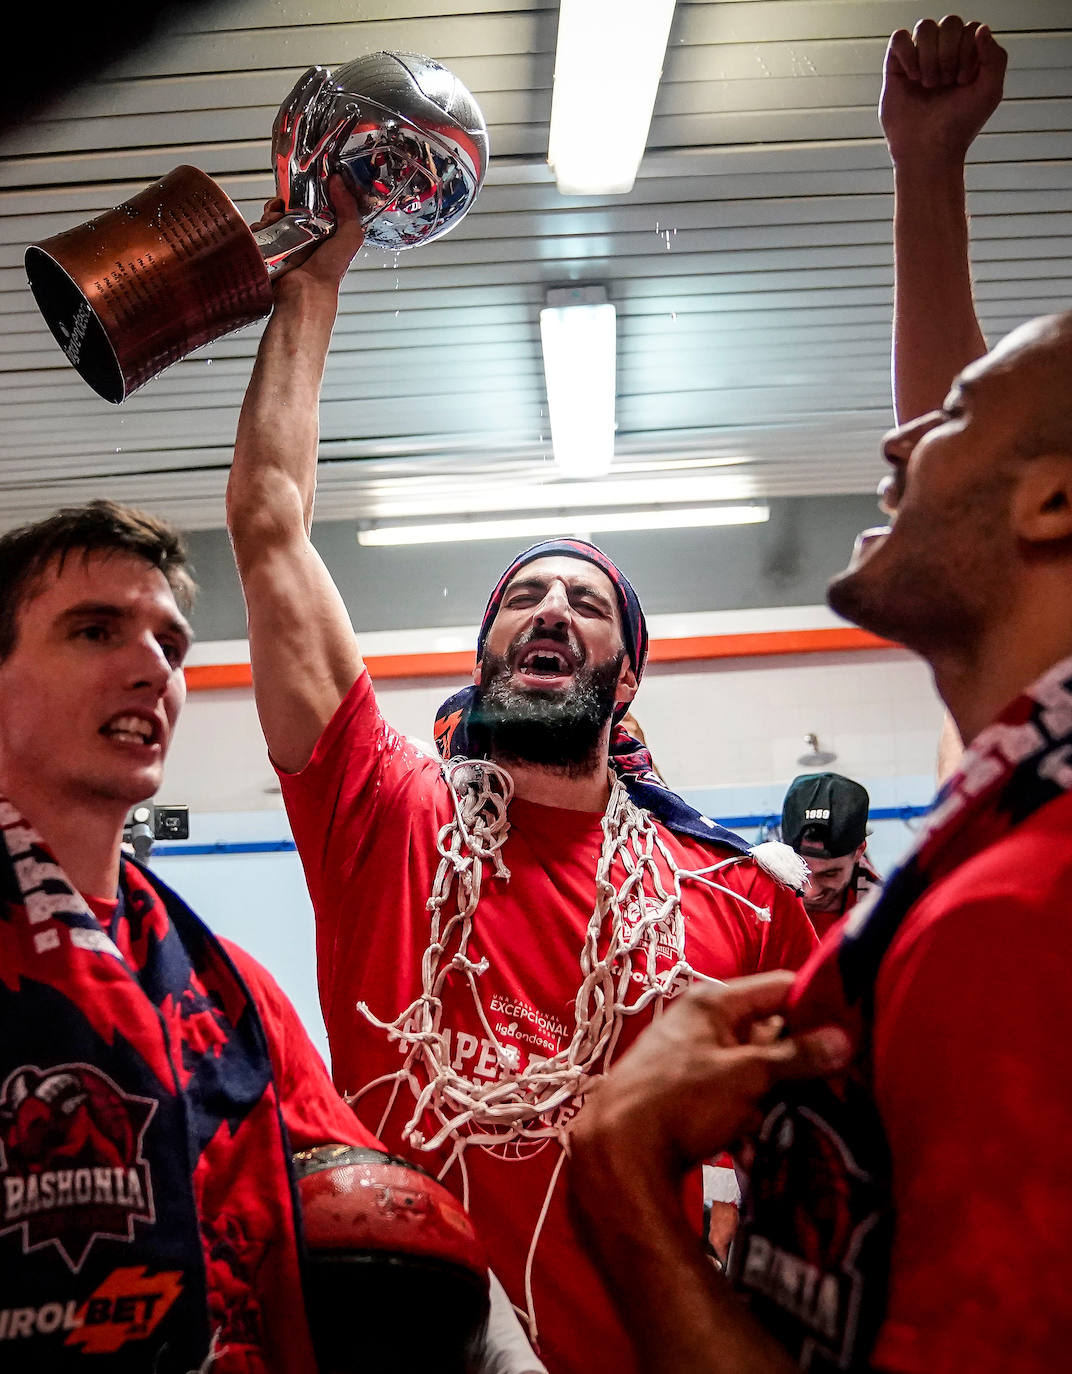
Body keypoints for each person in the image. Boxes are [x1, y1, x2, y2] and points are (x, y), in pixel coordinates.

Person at [225, 184, 819, 1374]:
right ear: (485, 653)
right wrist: (312, 287)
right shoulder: (384, 816)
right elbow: (270, 523)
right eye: (523, 600)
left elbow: (826, 1183)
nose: (550, 610)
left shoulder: (739, 897)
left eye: (585, 604)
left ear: (625, 679)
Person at [568, 18, 1072, 1374]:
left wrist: (617, 1167)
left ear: (1052, 504)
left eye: (947, 418)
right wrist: (927, 176)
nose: (898, 444)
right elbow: (1003, 474)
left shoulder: (1028, 918)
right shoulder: (1019, 814)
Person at [0, 499, 512, 1374]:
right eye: (95, 631)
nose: (150, 669)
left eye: (170, 644)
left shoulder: (229, 991)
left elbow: (365, 1204)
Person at [780, 772, 881, 935]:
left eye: (830, 874)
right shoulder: (754, 896)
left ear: (859, 852)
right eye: (798, 870)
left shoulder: (883, 912)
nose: (810, 892)